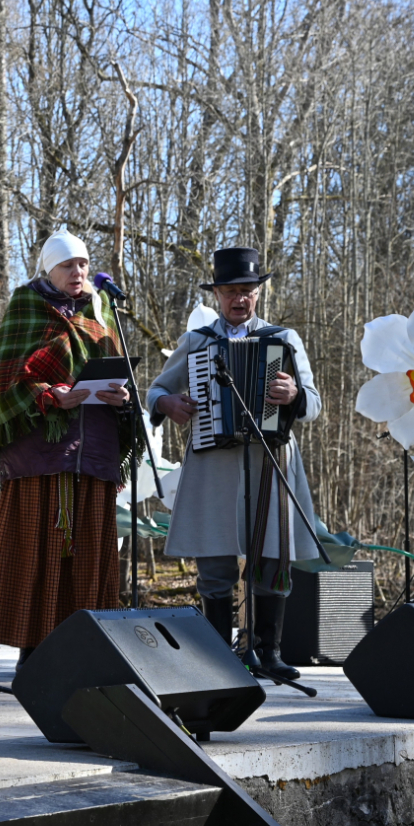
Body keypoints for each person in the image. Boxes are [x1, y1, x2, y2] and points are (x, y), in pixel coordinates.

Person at [148, 246, 320, 680]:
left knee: (272, 556)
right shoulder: (197, 341)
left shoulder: (284, 339)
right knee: (215, 560)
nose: (239, 299)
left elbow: (314, 404)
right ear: (217, 295)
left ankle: (269, 652)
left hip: (271, 460)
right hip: (214, 464)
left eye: (247, 290)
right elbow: (155, 391)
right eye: (230, 292)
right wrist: (168, 403)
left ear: (258, 293)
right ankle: (219, 655)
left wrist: (294, 395)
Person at [0, 230, 135, 671]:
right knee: (38, 554)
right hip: (40, 458)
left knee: (89, 556)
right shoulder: (26, 309)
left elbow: (117, 375)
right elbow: (2, 382)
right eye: (68, 265)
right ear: (49, 269)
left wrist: (122, 398)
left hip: (94, 455)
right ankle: (33, 652)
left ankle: (85, 651)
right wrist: (47, 395)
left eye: (83, 264)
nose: (78, 272)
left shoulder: (100, 315)